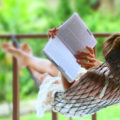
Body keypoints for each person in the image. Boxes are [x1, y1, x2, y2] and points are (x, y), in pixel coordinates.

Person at [1, 28, 107, 118]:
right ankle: (27, 59)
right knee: (53, 68)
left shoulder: (114, 77)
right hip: (85, 78)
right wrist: (94, 61)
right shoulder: (113, 71)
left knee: (46, 77)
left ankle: (27, 59)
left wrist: (61, 53)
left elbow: (70, 88)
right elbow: (105, 68)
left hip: (77, 90)